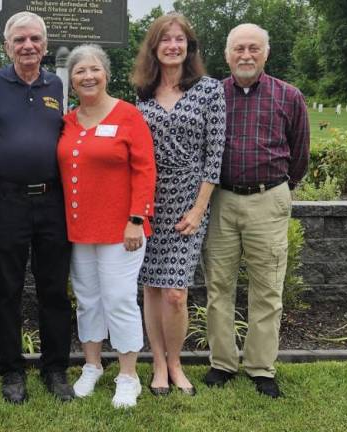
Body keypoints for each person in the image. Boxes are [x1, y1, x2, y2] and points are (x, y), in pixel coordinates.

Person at [0, 11, 75, 404]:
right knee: (7, 290)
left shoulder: (58, 85)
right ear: (7, 46)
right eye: (19, 40)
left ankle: (55, 369)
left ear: (45, 46)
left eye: (35, 39)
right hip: (7, 201)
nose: (28, 46)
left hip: (52, 201)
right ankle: (12, 371)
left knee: (53, 289)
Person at [202, 23, 309, 398]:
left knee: (267, 287)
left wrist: (278, 189)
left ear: (266, 53)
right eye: (238, 49)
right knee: (219, 286)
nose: (245, 55)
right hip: (221, 201)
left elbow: (300, 154)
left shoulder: (289, 95)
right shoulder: (211, 95)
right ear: (227, 55)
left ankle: (261, 367)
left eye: (253, 49)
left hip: (268, 199)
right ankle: (223, 363)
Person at [131, 13, 225, 396]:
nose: (173, 45)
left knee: (176, 292)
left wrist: (200, 207)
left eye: (180, 39)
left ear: (189, 47)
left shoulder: (209, 90)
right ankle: (156, 362)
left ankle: (175, 362)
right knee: (152, 288)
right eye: (165, 39)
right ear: (154, 47)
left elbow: (214, 154)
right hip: (149, 201)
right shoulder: (140, 93)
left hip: (189, 201)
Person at [57, 45, 156, 408]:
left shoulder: (128, 116)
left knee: (118, 299)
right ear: (72, 78)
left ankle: (128, 376)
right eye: (80, 70)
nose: (87, 76)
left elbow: (145, 170)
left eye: (94, 69)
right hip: (80, 230)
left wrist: (136, 219)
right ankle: (93, 365)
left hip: (121, 231)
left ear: (106, 74)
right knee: (88, 301)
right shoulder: (67, 121)